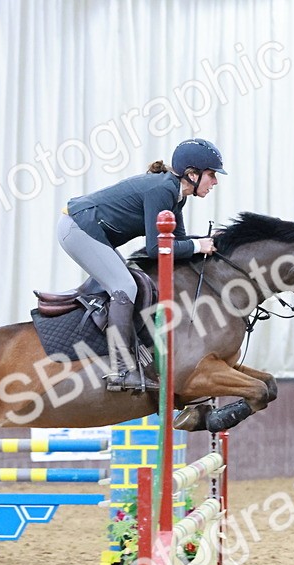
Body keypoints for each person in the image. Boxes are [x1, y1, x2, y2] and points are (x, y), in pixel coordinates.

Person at [58, 138, 226, 392]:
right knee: (125, 286)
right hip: (78, 227)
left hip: (88, 229)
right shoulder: (163, 190)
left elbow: (175, 243)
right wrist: (197, 246)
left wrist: (206, 243)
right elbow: (157, 248)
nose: (215, 181)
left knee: (126, 282)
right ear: (192, 175)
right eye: (212, 175)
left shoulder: (177, 195)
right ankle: (121, 370)